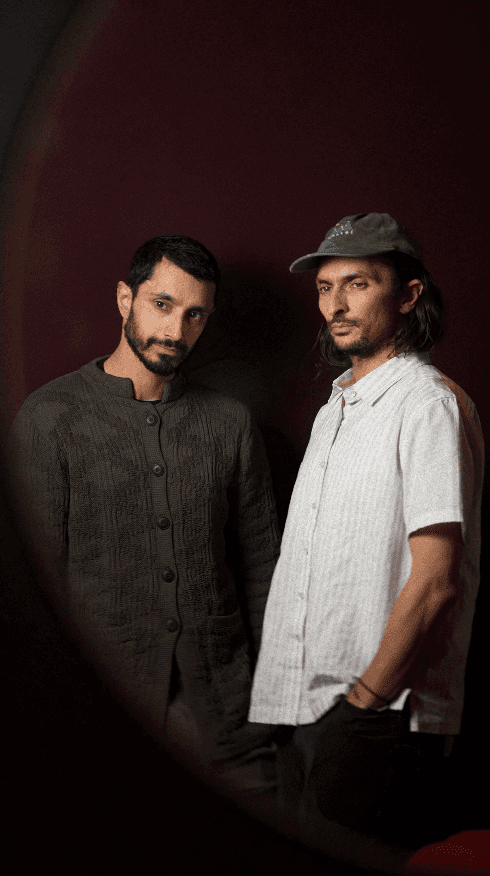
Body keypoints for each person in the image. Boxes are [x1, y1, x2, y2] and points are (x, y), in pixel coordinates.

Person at [7, 234, 280, 797]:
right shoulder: (50, 419)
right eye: (162, 305)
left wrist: (273, 701)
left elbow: (264, 575)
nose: (177, 332)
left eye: (195, 315)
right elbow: (32, 600)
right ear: (124, 299)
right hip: (100, 728)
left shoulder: (230, 424)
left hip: (229, 723)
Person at [248, 212, 484, 847]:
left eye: (358, 283)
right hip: (308, 712)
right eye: (325, 288)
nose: (335, 305)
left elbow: (437, 581)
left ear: (408, 297)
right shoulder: (336, 409)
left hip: (377, 718)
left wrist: (363, 704)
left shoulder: (426, 404)